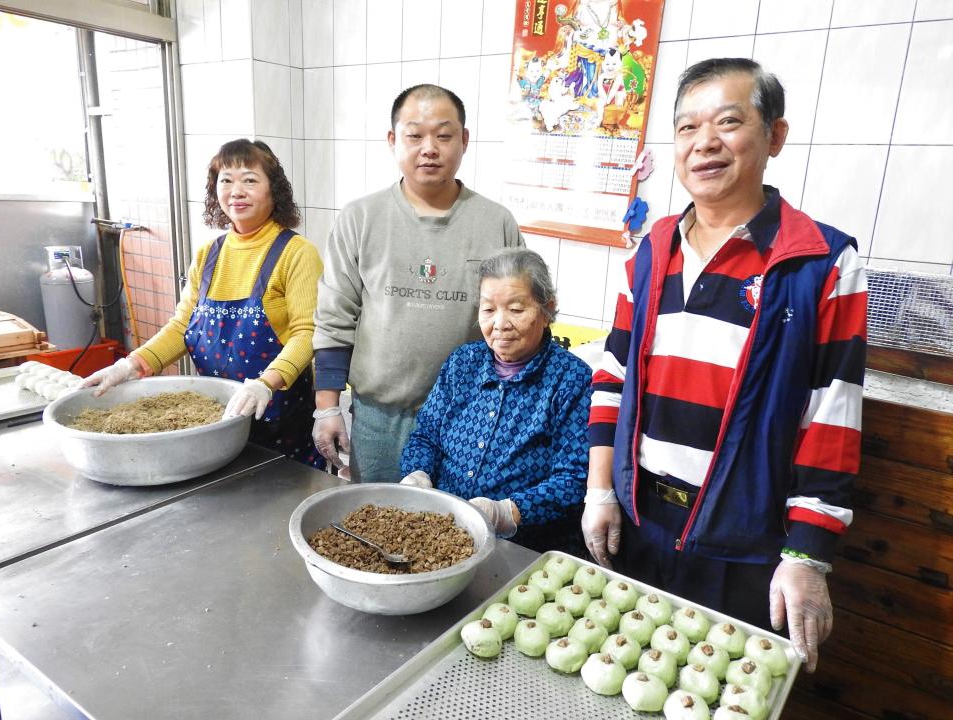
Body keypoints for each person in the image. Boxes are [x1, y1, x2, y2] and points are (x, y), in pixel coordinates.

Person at [582, 58, 867, 673]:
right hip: (639, 525)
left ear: (775, 136)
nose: (704, 143)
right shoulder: (653, 250)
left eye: (729, 122)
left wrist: (808, 557)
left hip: (746, 548)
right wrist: (600, 491)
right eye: (687, 128)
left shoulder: (819, 262)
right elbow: (613, 379)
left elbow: (832, 420)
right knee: (633, 681)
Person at [312, 84, 524, 482]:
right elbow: (335, 316)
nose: (429, 148)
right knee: (377, 526)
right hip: (379, 418)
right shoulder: (361, 218)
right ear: (393, 141)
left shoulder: (496, 223)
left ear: (464, 140)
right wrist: (326, 408)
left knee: (455, 533)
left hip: (470, 418)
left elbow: (518, 322)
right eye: (414, 135)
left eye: (444, 136)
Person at [81, 139, 324, 467]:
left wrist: (266, 384)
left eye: (250, 180)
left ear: (273, 191)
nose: (236, 191)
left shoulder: (296, 253)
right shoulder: (209, 255)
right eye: (226, 180)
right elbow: (182, 325)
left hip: (277, 420)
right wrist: (131, 365)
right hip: (216, 423)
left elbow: (306, 333)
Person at [399, 249, 591, 553]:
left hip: (524, 549)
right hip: (441, 536)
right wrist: (417, 472)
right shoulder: (463, 362)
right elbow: (426, 436)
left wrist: (508, 512)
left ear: (547, 310)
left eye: (516, 309)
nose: (500, 324)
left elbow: (573, 479)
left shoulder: (571, 379)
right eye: (488, 310)